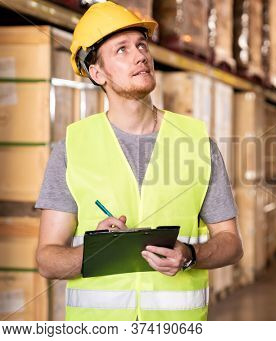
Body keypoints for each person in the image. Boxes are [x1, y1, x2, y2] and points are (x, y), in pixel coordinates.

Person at [35, 1, 243, 321]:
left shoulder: (197, 143)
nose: (140, 55)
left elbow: (231, 243)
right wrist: (96, 253)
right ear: (97, 72)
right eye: (122, 50)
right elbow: (47, 260)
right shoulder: (72, 148)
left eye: (141, 45)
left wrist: (189, 255)